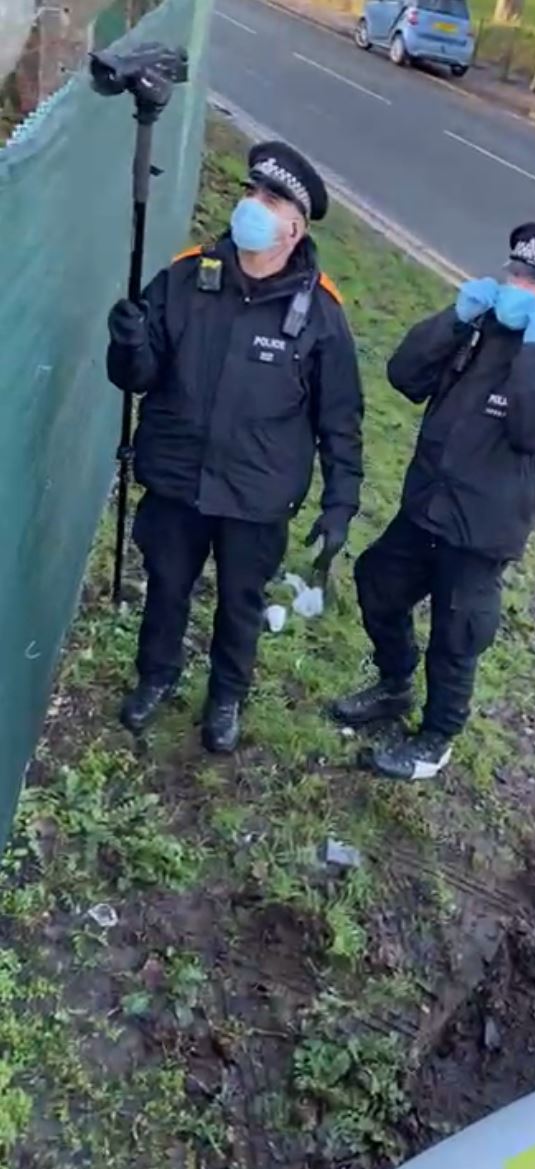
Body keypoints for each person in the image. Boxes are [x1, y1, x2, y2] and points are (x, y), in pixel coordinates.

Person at [107, 141, 363, 754]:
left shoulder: (322, 314)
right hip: (178, 477)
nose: (251, 204)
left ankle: (225, 698)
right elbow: (137, 376)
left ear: (293, 227)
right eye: (251, 192)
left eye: (269, 199)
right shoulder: (188, 276)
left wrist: (341, 500)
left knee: (240, 602)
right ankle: (156, 677)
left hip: (257, 493)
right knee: (167, 585)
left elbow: (341, 417)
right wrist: (127, 342)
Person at [333, 222, 535, 780]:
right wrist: (455, 318)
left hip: (480, 531)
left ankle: (437, 738)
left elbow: (534, 431)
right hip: (426, 505)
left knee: (457, 636)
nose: (518, 283)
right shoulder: (477, 334)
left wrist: (534, 346)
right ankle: (395, 684)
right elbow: (404, 374)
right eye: (515, 272)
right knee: (377, 583)